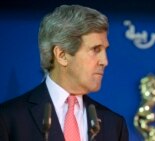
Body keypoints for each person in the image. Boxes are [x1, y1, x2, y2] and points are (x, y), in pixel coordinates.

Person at [0, 4, 129, 141]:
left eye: (105, 50)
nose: (105, 61)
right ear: (62, 55)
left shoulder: (114, 125)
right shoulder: (9, 119)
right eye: (96, 50)